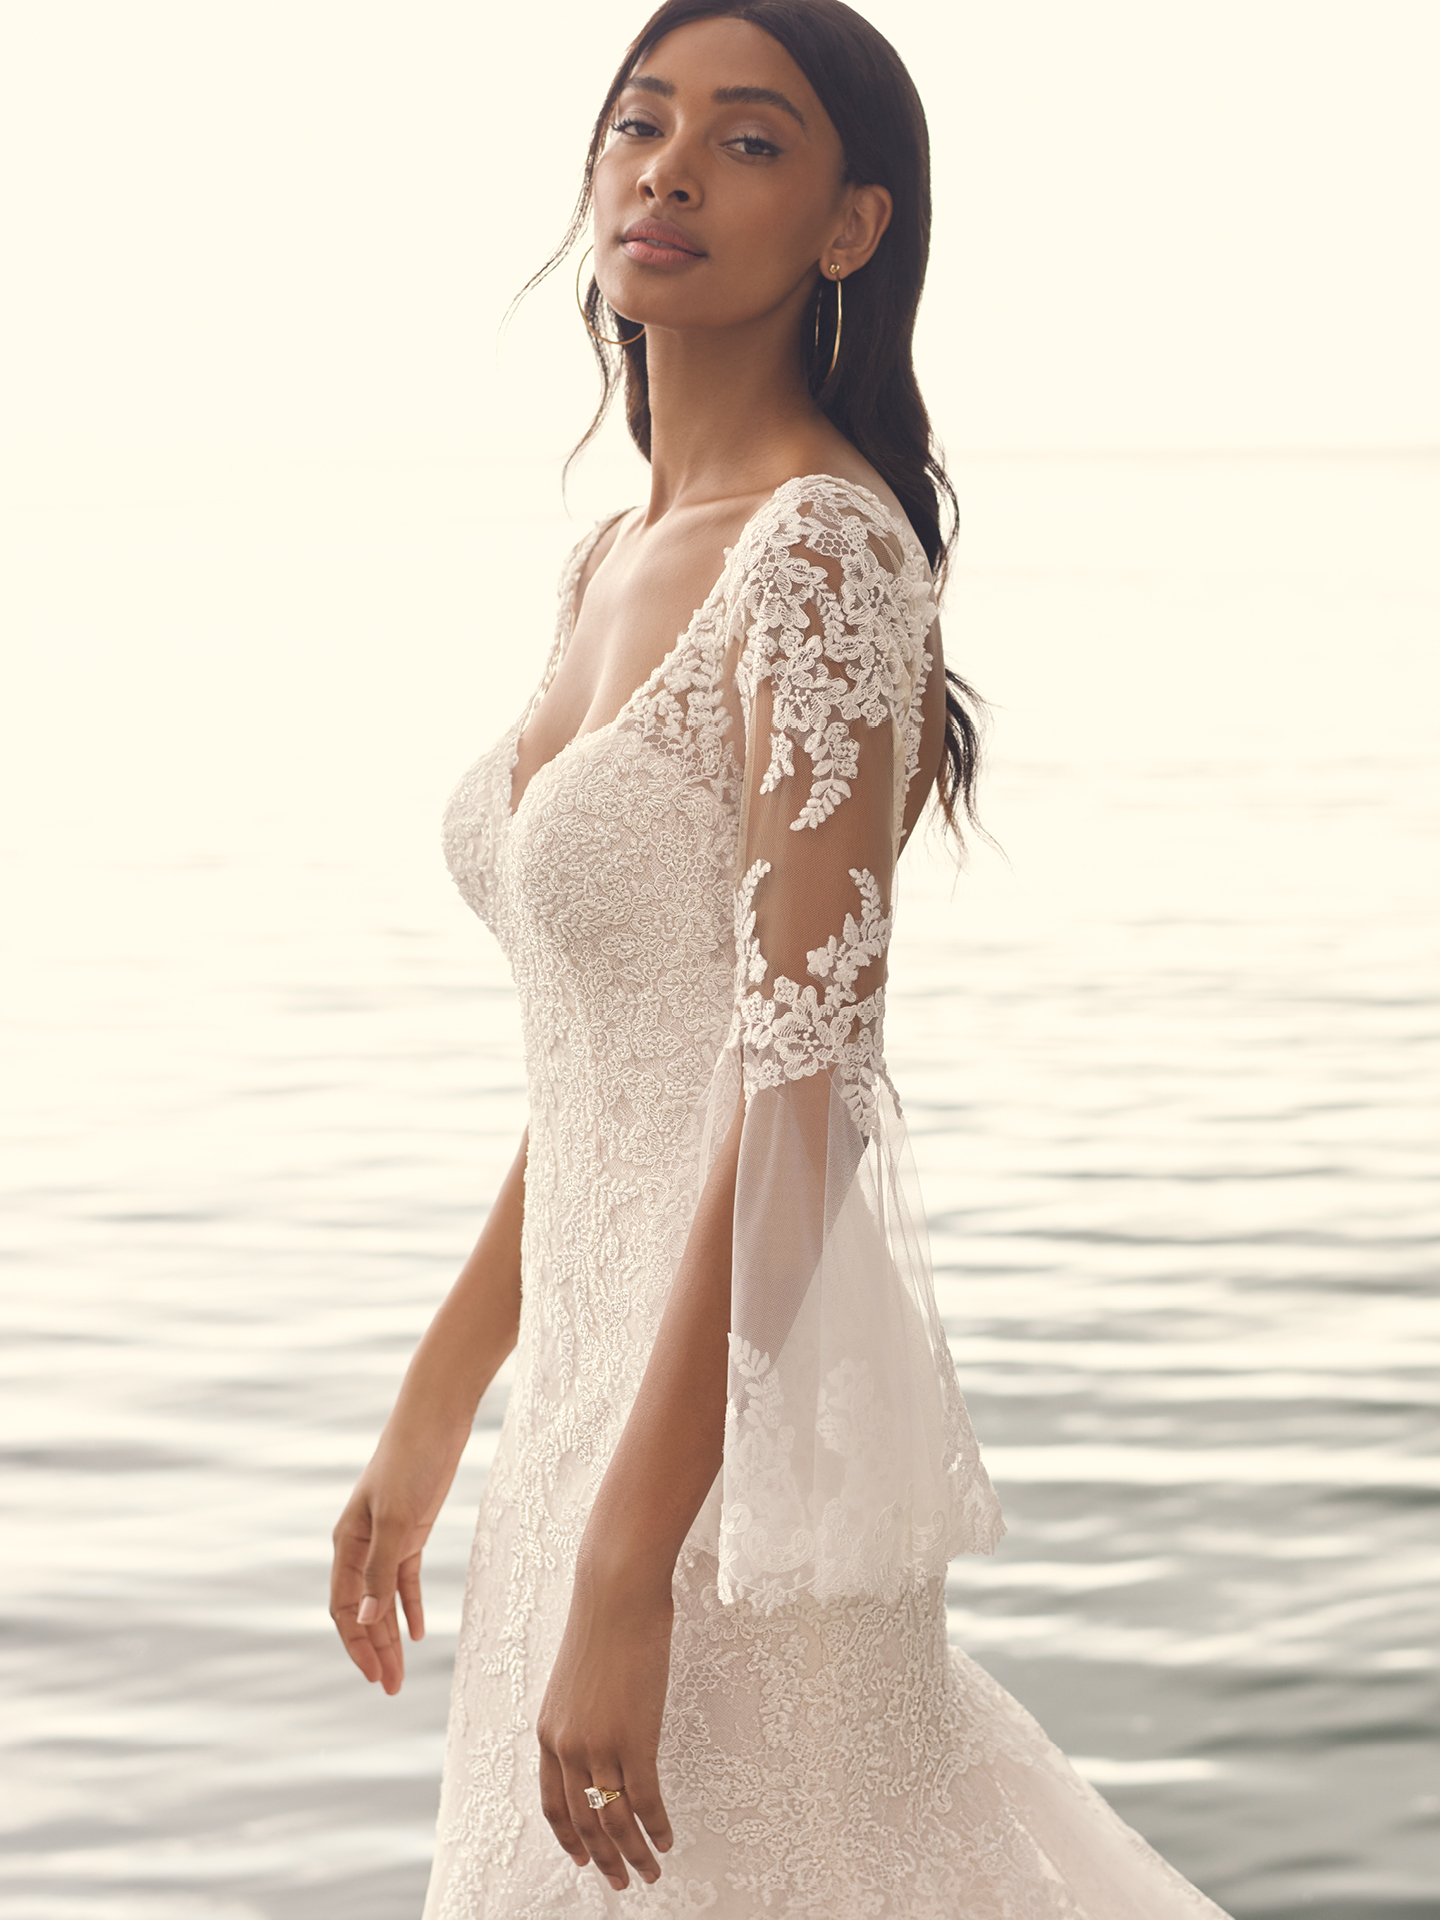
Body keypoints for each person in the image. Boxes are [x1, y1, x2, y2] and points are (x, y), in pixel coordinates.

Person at [331, 3, 1233, 1913]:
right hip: (586, 1426)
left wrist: (629, 1559)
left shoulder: (823, 556)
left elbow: (801, 1088)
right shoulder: (607, 560)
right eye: (640, 124)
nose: (667, 166)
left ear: (850, 227)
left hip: (720, 1464)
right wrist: (440, 1405)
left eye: (748, 140)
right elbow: (614, 1059)